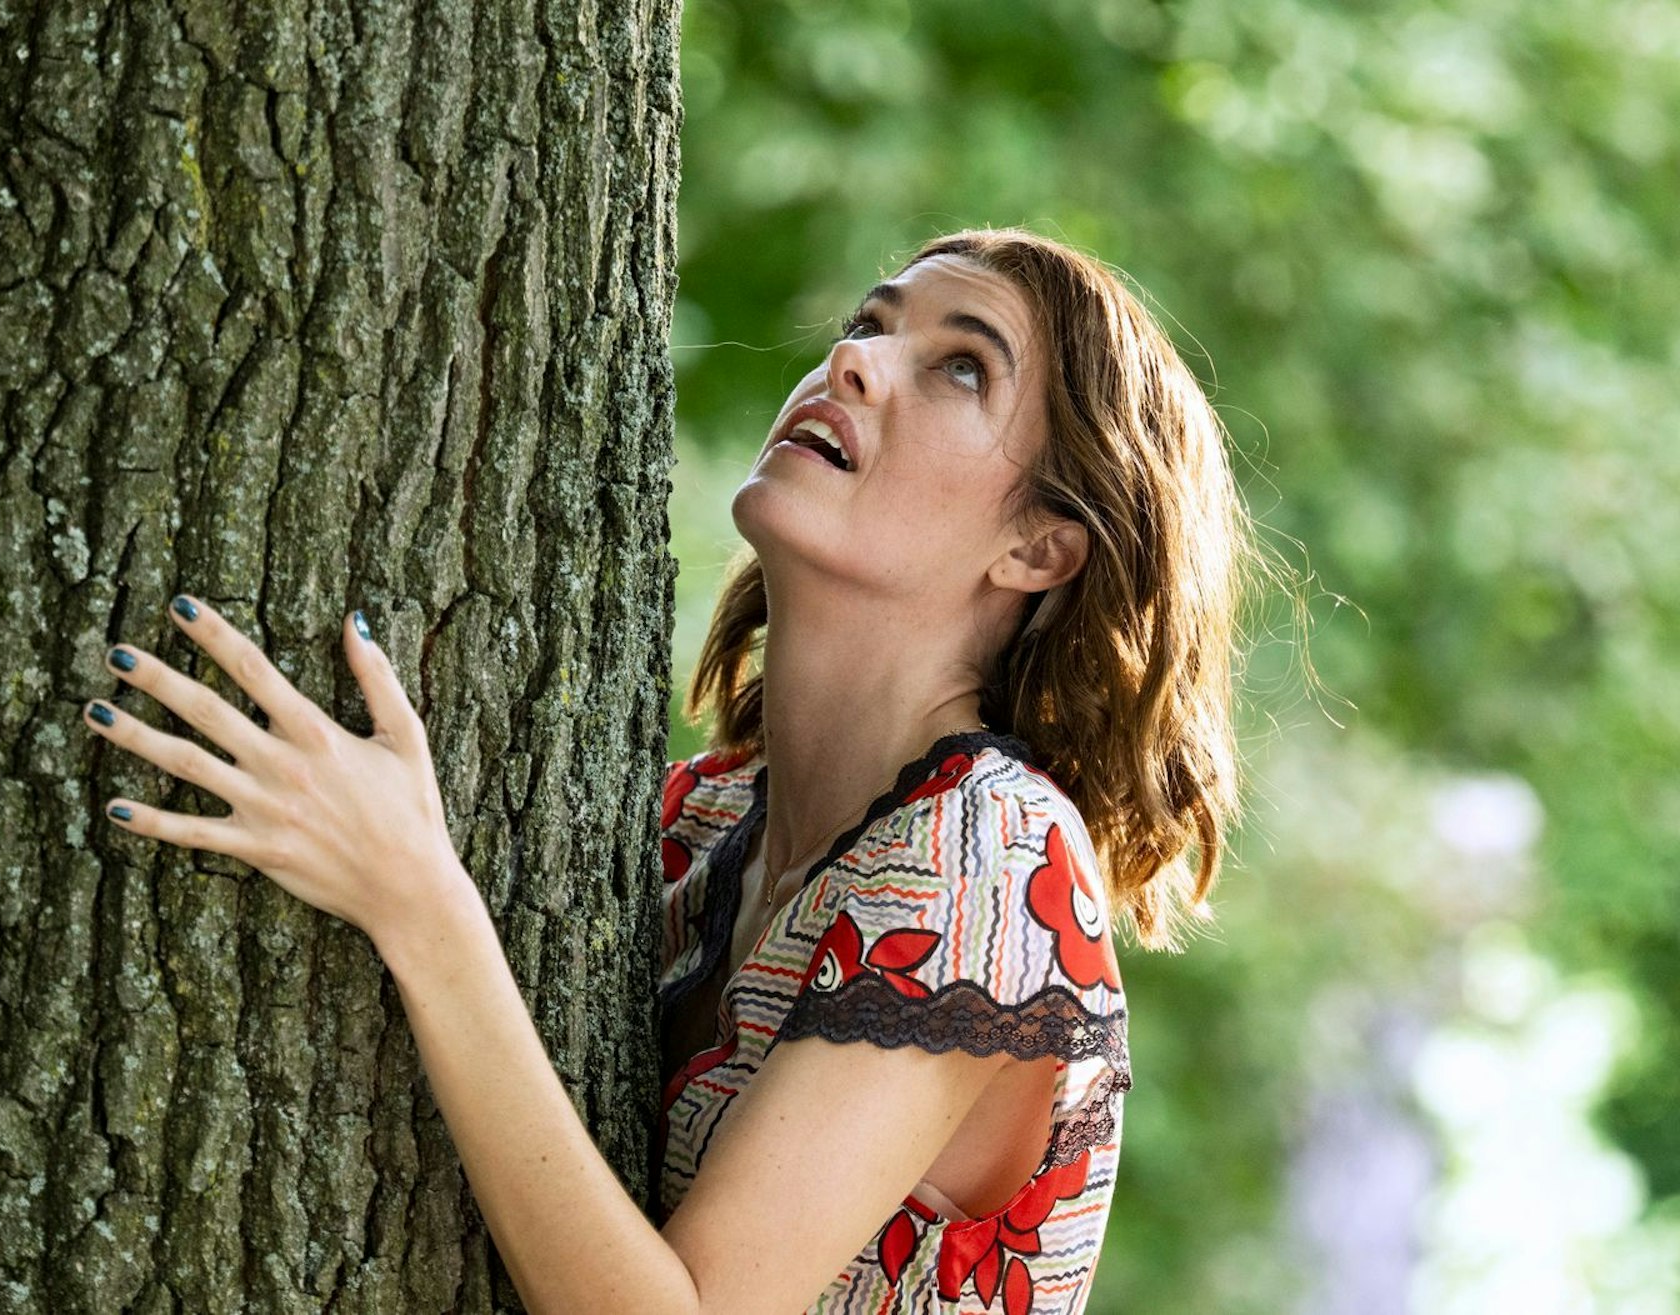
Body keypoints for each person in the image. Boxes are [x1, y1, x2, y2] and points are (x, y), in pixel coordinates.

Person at [81, 225, 1253, 1315]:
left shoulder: (995, 859)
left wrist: (416, 899)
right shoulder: (701, 820)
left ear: (1037, 545)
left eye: (960, 368)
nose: (853, 362)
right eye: (871, 322)